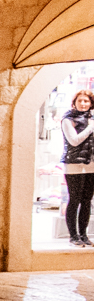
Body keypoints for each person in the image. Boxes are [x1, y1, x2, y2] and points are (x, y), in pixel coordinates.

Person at [62, 90, 94, 246]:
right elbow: (74, 141)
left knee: (87, 201)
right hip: (73, 164)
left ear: (91, 104)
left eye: (86, 101)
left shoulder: (92, 119)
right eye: (80, 100)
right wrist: (90, 128)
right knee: (74, 200)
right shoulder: (68, 119)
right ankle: (73, 236)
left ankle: (83, 235)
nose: (83, 104)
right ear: (74, 103)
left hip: (91, 165)